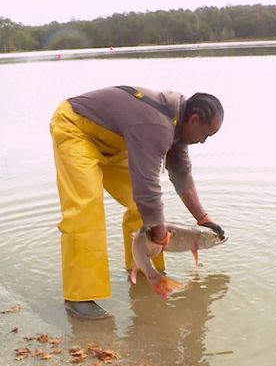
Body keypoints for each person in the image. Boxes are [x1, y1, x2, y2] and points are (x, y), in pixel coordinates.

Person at [49, 85, 225, 319]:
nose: (203, 141)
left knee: (143, 211)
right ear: (194, 119)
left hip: (112, 142)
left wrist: (203, 218)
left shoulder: (177, 124)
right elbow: (147, 188)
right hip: (75, 129)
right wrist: (161, 235)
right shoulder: (157, 124)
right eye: (207, 135)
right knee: (86, 207)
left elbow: (181, 172)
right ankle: (80, 297)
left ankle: (146, 271)